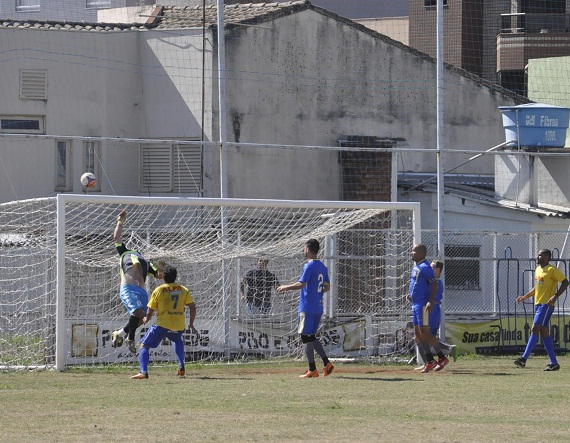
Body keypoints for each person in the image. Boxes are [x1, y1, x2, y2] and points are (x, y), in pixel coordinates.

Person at [276, 239, 334, 378]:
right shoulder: (322, 267)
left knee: (305, 338)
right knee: (311, 336)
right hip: (318, 307)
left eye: (304, 248)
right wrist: (316, 293)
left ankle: (312, 370)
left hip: (307, 307)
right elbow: (327, 287)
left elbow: (301, 284)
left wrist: (286, 287)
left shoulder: (309, 266)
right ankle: (326, 363)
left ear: (307, 249)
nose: (303, 250)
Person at [131, 265, 198, 379]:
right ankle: (181, 366)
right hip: (178, 325)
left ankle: (143, 372)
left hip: (162, 324)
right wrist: (191, 324)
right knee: (177, 340)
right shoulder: (183, 289)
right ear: (175, 277)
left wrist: (147, 318)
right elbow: (192, 307)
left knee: (144, 345)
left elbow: (150, 309)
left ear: (163, 277)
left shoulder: (159, 290)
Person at [111, 210, 163, 354]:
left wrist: (161, 266)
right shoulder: (125, 252)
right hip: (128, 288)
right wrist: (120, 222)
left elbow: (159, 275)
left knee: (142, 318)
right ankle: (130, 338)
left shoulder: (147, 263)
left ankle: (120, 333)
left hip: (142, 291)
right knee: (139, 313)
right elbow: (117, 238)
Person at [514, 249, 568, 371]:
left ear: (547, 257)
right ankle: (554, 363)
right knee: (543, 332)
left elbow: (565, 282)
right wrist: (525, 297)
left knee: (535, 329)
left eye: (540, 254)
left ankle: (523, 358)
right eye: (538, 254)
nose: (537, 256)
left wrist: (555, 296)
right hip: (538, 305)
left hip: (546, 305)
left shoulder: (551, 270)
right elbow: (537, 287)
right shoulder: (538, 270)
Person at [409, 244, 449, 373]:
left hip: (422, 305)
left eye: (414, 251)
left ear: (421, 253)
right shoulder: (417, 267)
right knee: (417, 334)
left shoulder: (425, 268)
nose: (411, 253)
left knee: (425, 332)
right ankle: (430, 360)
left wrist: (430, 301)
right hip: (415, 304)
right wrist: (411, 295)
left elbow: (435, 284)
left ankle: (442, 357)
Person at [414, 260, 457, 371]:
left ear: (438, 270)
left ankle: (434, 360)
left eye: (432, 267)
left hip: (431, 311)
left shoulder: (437, 282)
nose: (430, 268)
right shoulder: (430, 281)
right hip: (426, 310)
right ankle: (429, 361)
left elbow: (432, 298)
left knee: (426, 337)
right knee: (420, 338)